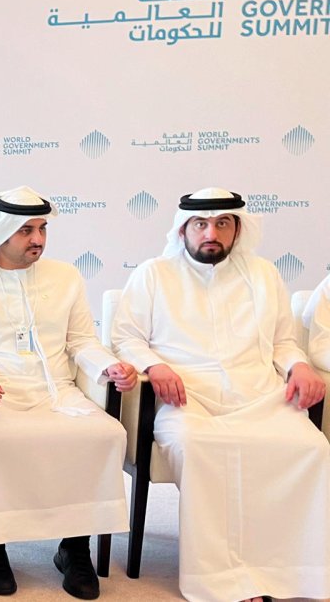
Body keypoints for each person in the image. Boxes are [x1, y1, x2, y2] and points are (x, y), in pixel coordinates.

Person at [112, 187, 330, 602]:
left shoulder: (263, 273)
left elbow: (283, 341)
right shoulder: (153, 274)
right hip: (187, 399)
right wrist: (155, 366)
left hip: (259, 396)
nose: (211, 232)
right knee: (199, 447)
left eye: (222, 223)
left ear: (237, 229)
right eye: (200, 223)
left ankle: (288, 574)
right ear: (183, 229)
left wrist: (298, 365)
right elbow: (126, 337)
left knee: (310, 448)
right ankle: (224, 581)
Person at [0, 186, 135, 599]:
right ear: (0, 232)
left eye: (42, 229)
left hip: (56, 391)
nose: (38, 239)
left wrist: (107, 365)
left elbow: (81, 340)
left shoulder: (66, 277)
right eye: (25, 231)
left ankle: (75, 546)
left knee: (105, 433)